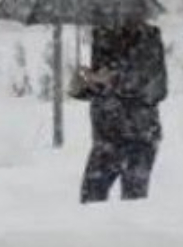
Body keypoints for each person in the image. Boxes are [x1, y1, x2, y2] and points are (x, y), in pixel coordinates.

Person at [72, 19, 168, 203]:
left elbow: (156, 89)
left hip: (139, 134)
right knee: (90, 198)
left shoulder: (148, 38)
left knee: (132, 202)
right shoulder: (101, 35)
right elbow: (102, 89)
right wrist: (85, 84)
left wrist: (114, 79)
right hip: (106, 134)